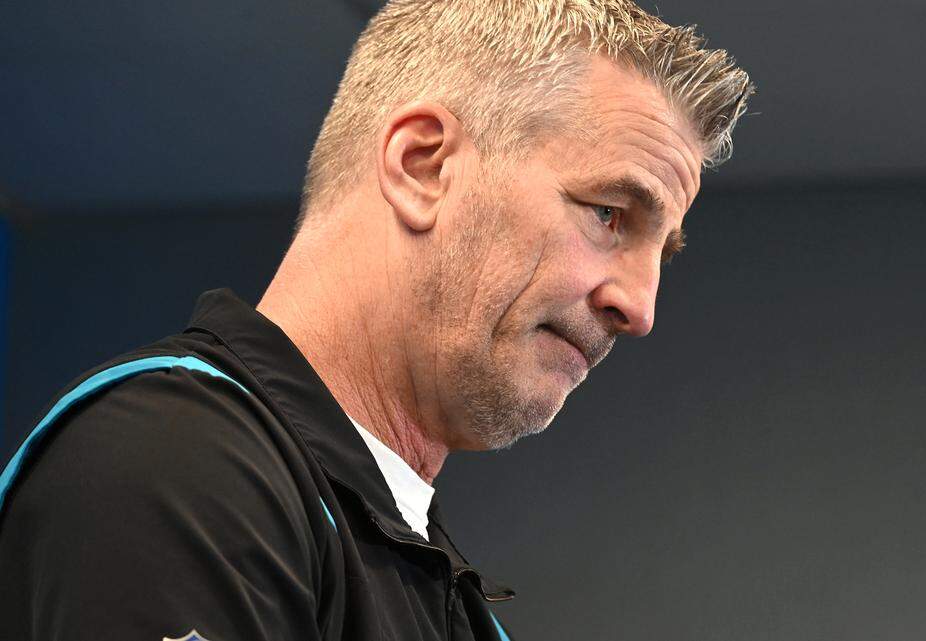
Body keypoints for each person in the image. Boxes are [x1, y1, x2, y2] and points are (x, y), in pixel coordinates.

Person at [0, 1, 752, 639]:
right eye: (609, 214)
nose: (641, 307)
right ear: (423, 166)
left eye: (665, 251)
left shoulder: (426, 577)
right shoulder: (172, 467)